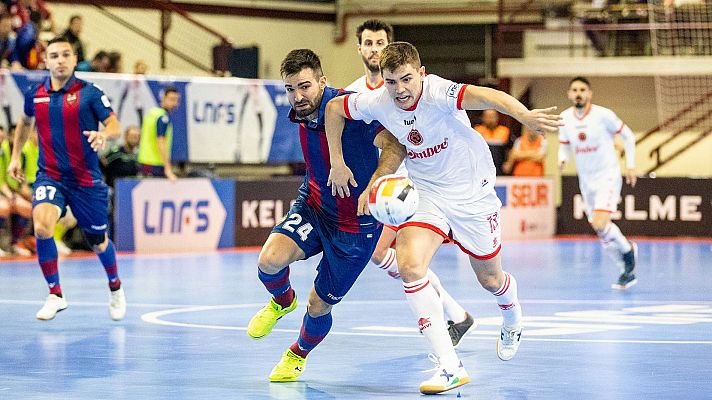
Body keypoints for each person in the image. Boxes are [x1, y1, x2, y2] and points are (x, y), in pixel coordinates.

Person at [325, 42, 562, 394]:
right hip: (428, 195)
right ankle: (450, 367)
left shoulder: (438, 92)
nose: (400, 89)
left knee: (490, 279)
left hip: (472, 194)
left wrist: (524, 116)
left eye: (407, 79)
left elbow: (489, 97)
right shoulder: (378, 101)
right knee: (409, 265)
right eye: (392, 82)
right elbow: (332, 107)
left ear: (421, 74)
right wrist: (337, 162)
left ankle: (511, 315)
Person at [246, 49, 397, 383]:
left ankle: (296, 355)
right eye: (289, 89)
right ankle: (282, 301)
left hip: (356, 225)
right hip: (314, 206)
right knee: (269, 261)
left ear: (322, 81)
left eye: (304, 87)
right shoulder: (300, 111)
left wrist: (374, 186)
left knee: (318, 304)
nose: (297, 96)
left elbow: (395, 145)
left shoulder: (353, 108)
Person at [346, 19, 475, 347]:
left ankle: (445, 324)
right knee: (379, 255)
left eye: (380, 43)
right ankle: (455, 314)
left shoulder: (411, 86)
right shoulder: (354, 93)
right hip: (381, 186)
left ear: (390, 46)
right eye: (369, 43)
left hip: (411, 183)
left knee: (386, 255)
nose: (374, 49)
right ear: (359, 48)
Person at [7, 36, 126, 321]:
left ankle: (115, 287)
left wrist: (103, 134)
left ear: (74, 60)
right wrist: (15, 156)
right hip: (50, 176)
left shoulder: (90, 93)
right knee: (42, 226)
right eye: (54, 55)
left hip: (86, 180)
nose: (60, 60)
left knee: (98, 241)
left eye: (66, 55)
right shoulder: (35, 93)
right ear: (46, 61)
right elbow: (25, 122)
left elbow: (115, 125)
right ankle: (55, 294)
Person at [558, 76, 638, 289]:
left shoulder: (604, 115)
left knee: (601, 223)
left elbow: (629, 136)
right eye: (574, 89)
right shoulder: (565, 118)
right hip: (587, 180)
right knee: (599, 228)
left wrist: (630, 165)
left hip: (607, 176)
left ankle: (628, 253)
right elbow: (564, 144)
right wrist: (562, 158)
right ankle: (625, 266)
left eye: (582, 89)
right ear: (569, 94)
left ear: (589, 93)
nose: (578, 93)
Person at [137, 87, 179, 181]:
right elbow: (161, 141)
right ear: (163, 98)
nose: (175, 103)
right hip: (155, 163)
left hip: (144, 161)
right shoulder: (162, 117)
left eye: (176, 100)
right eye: (171, 99)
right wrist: (168, 168)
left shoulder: (152, 113)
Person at [475, 109, 511, 176]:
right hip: (482, 167)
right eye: (487, 117)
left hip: (500, 167)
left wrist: (508, 162)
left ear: (497, 118)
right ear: (483, 118)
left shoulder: (504, 131)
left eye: (492, 117)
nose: (490, 120)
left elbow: (509, 149)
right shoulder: (477, 131)